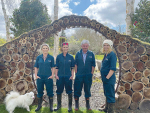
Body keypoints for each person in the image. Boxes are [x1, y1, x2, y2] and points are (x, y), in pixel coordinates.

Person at [74, 40, 95, 111]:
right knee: (77, 89)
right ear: (81, 46)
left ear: (88, 46)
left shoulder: (91, 54)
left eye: (86, 46)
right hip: (79, 75)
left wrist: (92, 73)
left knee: (87, 90)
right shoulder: (78, 53)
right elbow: (75, 64)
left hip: (88, 75)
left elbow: (93, 64)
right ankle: (76, 105)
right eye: (84, 46)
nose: (85, 47)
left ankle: (88, 104)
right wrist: (76, 72)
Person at [54, 42, 75, 112]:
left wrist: (72, 75)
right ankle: (59, 105)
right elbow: (56, 67)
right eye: (64, 47)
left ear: (68, 48)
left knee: (69, 91)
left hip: (68, 77)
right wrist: (56, 75)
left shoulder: (71, 57)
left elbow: (72, 68)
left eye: (66, 47)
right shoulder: (58, 57)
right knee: (59, 91)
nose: (65, 48)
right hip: (60, 77)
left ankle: (69, 106)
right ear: (62, 48)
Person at [34, 43, 55, 112]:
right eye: (44, 48)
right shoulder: (38, 57)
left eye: (46, 48)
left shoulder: (51, 57)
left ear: (48, 49)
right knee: (40, 92)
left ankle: (51, 106)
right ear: (42, 49)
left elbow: (53, 67)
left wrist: (52, 75)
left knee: (50, 92)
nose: (45, 49)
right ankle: (39, 105)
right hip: (40, 77)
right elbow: (36, 67)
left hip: (48, 77)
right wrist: (36, 75)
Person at [99, 39, 117, 113]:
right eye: (104, 45)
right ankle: (106, 108)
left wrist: (107, 78)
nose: (105, 47)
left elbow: (112, 69)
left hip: (109, 79)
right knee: (106, 93)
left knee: (110, 94)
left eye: (107, 45)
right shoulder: (106, 54)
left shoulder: (112, 55)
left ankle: (111, 111)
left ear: (111, 46)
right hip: (105, 78)